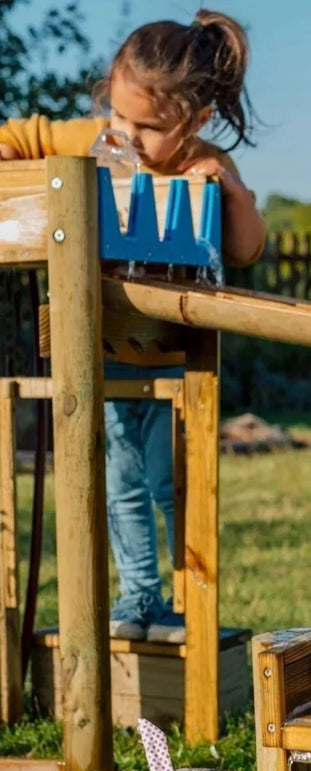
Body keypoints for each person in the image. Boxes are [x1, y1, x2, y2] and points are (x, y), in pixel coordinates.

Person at [0, 10, 266, 642]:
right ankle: (138, 599)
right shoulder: (94, 139)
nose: (128, 135)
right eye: (120, 116)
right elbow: (17, 133)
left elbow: (247, 248)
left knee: (174, 486)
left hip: (181, 362)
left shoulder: (203, 163)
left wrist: (230, 190)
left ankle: (183, 604)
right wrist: (12, 157)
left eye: (149, 126)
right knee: (119, 486)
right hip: (103, 349)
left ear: (196, 121)